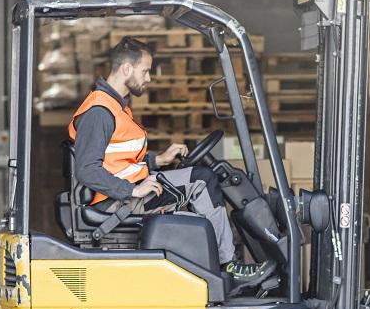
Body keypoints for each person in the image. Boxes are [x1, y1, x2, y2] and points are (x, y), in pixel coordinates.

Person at [68, 37, 273, 279]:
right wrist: (132, 191)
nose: (148, 78)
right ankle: (227, 266)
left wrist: (159, 160)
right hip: (117, 200)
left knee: (202, 177)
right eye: (145, 71)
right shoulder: (99, 112)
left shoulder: (113, 105)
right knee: (203, 181)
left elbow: (118, 159)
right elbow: (87, 169)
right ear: (126, 69)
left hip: (126, 190)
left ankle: (221, 263)